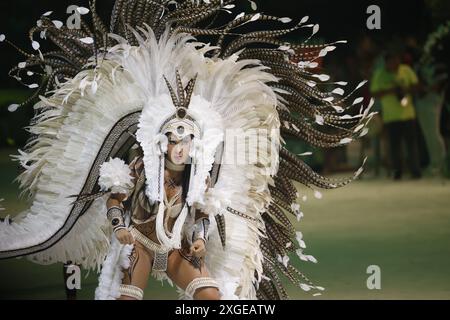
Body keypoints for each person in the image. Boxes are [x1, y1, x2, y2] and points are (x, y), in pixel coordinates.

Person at [0, 0, 372, 300]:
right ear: (160, 141)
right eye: (173, 140)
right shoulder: (141, 168)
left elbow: (202, 214)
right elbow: (115, 198)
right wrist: (119, 229)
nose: (179, 147)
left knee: (212, 296)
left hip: (177, 252)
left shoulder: (199, 178)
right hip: (141, 247)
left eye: (186, 140)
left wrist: (197, 239)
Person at [370, 50, 422, 180]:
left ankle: (415, 171)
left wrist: (405, 89)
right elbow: (374, 93)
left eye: (397, 60)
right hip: (391, 117)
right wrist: (390, 91)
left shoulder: (406, 70)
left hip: (408, 114)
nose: (395, 63)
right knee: (394, 147)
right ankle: (397, 172)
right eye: (392, 61)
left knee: (411, 144)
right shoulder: (380, 74)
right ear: (386, 63)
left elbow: (417, 86)